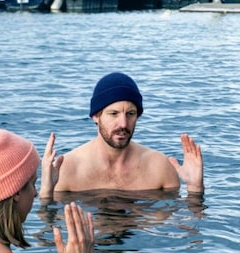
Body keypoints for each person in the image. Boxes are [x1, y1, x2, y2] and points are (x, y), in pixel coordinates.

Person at [40, 72, 204, 198]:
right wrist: (46, 192)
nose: (123, 124)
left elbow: (179, 232)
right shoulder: (67, 169)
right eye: (113, 114)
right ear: (96, 116)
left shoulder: (159, 167)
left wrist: (195, 189)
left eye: (130, 114)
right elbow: (48, 233)